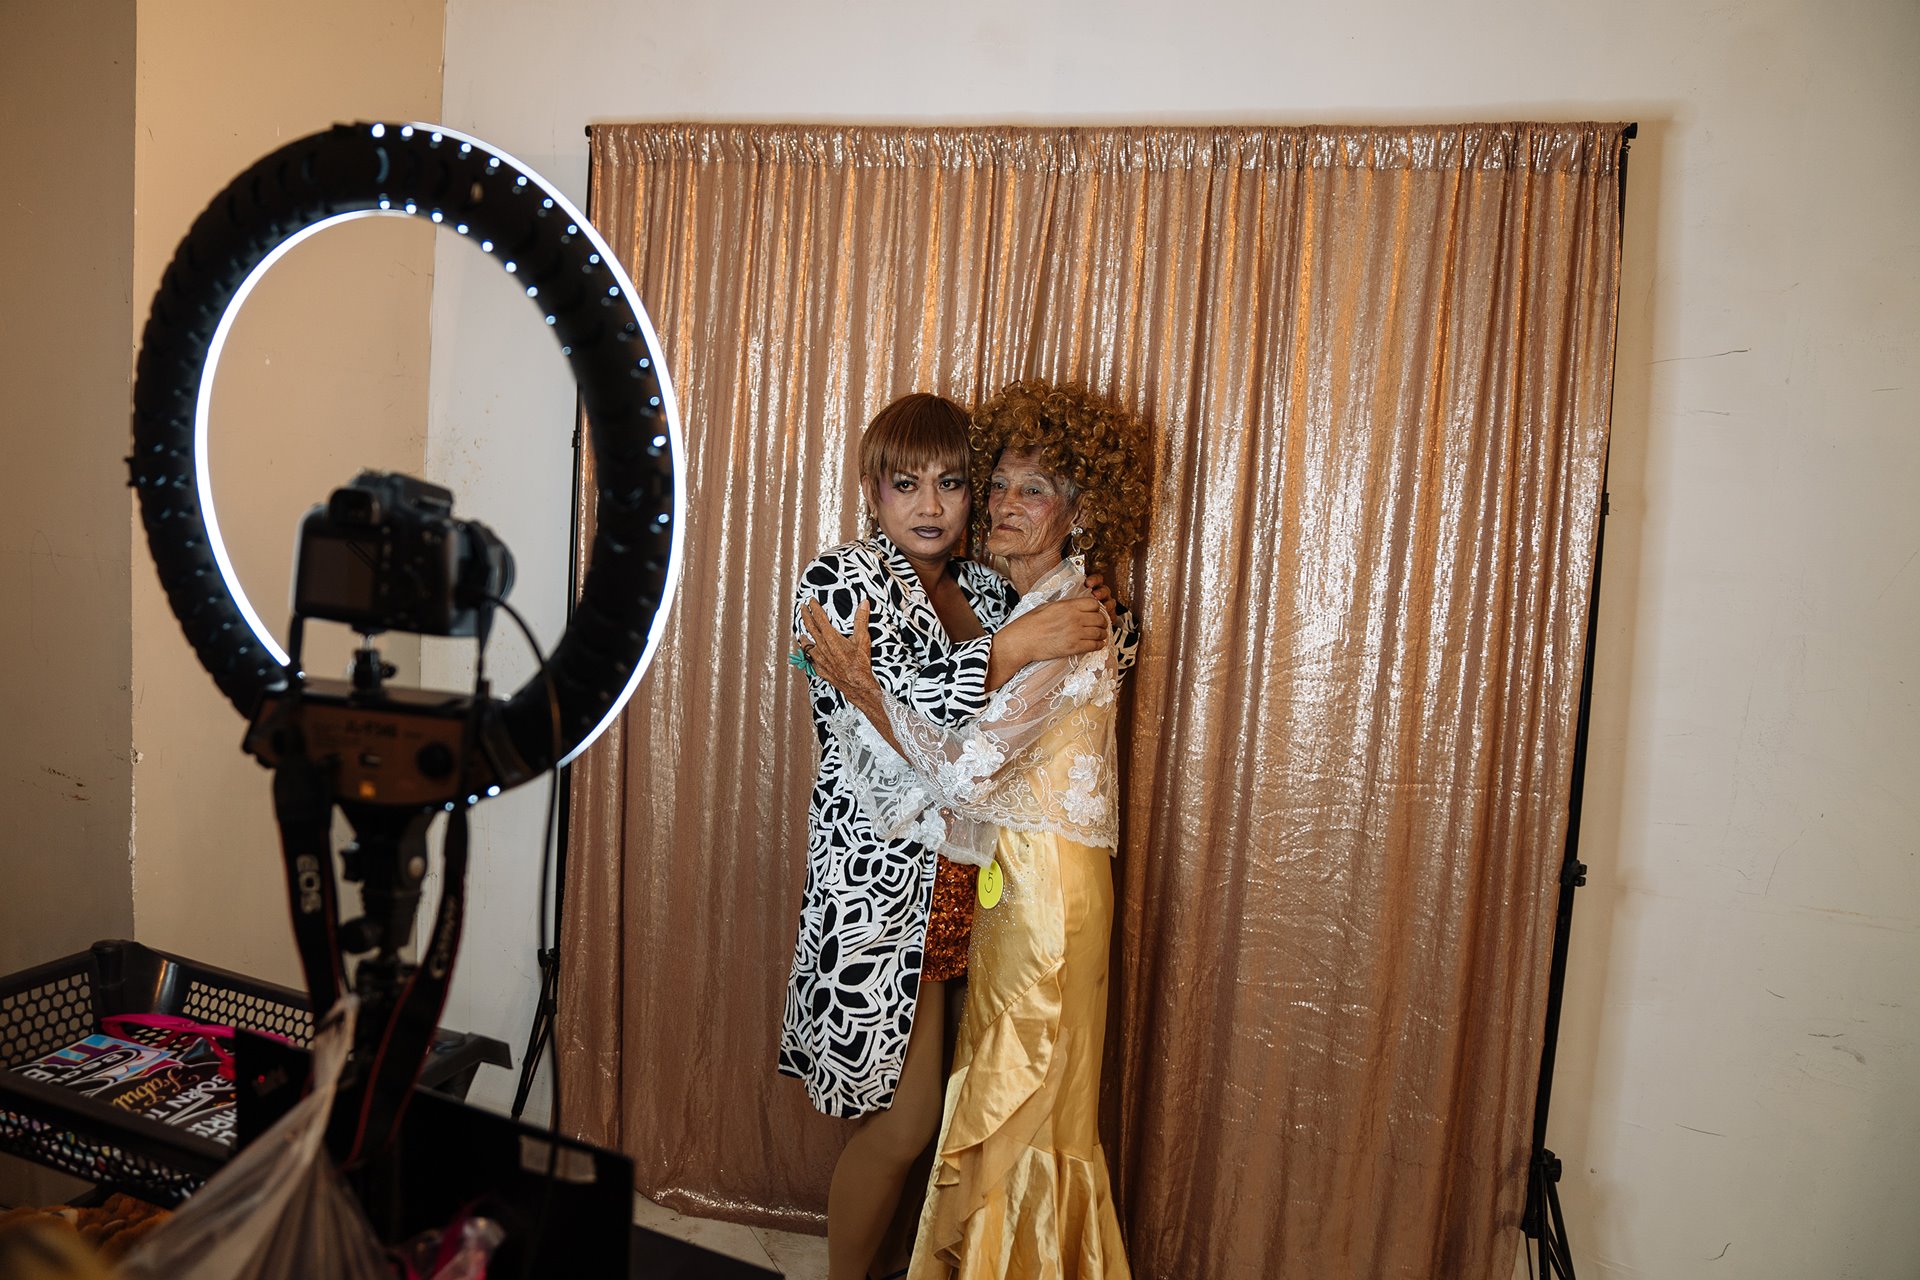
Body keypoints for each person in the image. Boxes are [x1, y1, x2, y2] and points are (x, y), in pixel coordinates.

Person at [801, 380, 1150, 1279]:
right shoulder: (844, 578)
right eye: (905, 484)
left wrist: (1082, 628)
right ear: (871, 491)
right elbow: (900, 725)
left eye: (954, 483)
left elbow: (1050, 691)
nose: (937, 505)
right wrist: (1013, 652)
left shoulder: (987, 590)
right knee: (913, 1117)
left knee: (973, 1106)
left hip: (975, 888)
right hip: (882, 886)